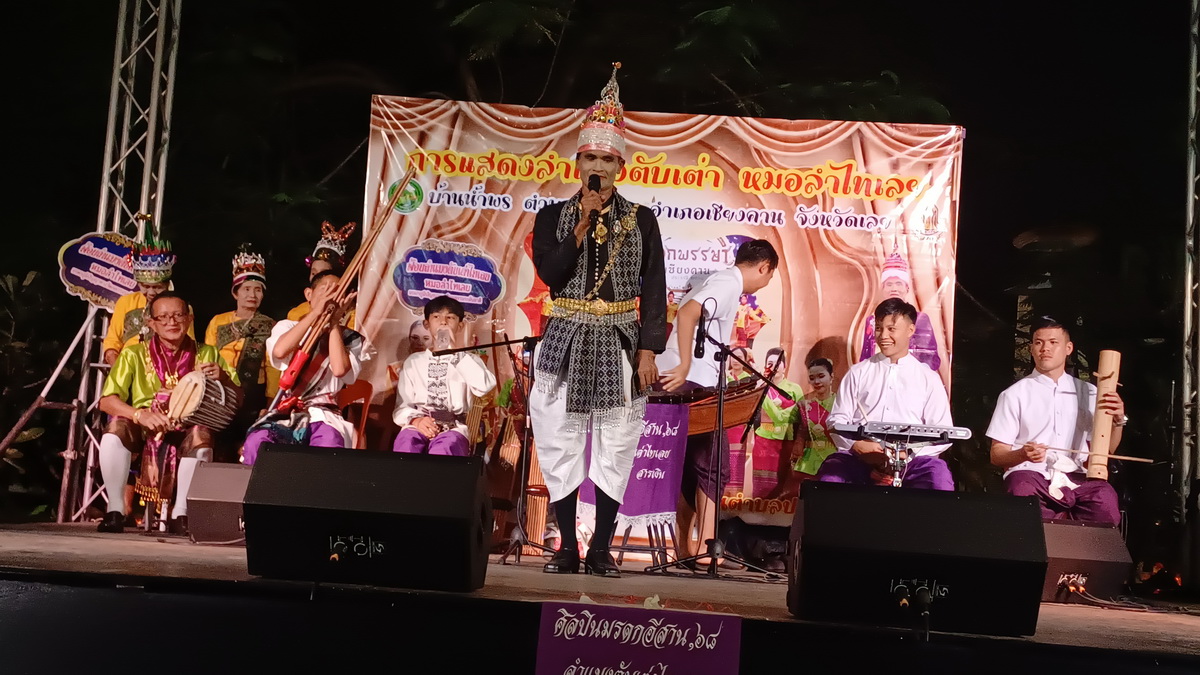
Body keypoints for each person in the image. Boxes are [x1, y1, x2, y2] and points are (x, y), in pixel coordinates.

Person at [530, 63, 667, 578]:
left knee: (617, 442)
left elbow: (654, 287)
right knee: (559, 439)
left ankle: (601, 549)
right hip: (564, 339)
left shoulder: (642, 219)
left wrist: (649, 350)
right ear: (577, 162)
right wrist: (582, 224)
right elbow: (551, 273)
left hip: (619, 342)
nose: (598, 166)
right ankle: (567, 546)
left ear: (620, 166)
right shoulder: (552, 217)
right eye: (590, 157)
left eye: (608, 159)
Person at [657, 239, 779, 563]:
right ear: (764, 267)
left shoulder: (721, 281)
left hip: (689, 381)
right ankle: (707, 546)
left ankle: (685, 546)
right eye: (769, 276)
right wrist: (685, 364)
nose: (766, 282)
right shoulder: (728, 282)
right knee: (715, 465)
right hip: (694, 383)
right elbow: (687, 313)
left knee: (689, 466)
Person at [95, 292, 239, 534]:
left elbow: (237, 397)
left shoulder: (208, 353)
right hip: (145, 425)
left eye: (178, 315)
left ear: (189, 319)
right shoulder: (133, 354)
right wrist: (140, 415)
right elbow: (107, 401)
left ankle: (181, 513)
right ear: (151, 323)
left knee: (201, 435)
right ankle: (115, 510)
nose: (171, 322)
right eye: (163, 317)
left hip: (187, 426)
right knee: (115, 429)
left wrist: (224, 378)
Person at [986, 316, 1126, 525]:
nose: (1045, 349)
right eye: (1038, 343)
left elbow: (1107, 451)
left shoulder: (1090, 392)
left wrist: (1117, 420)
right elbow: (997, 455)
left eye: (1053, 342)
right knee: (1022, 493)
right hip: (1032, 475)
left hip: (1077, 477)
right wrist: (1022, 454)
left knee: (1104, 501)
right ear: (1032, 349)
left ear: (1068, 348)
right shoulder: (1014, 394)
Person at [820, 298, 955, 490]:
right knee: (832, 473)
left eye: (891, 329)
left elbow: (942, 431)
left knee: (938, 477)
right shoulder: (858, 372)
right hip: (862, 456)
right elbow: (837, 419)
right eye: (878, 328)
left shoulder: (928, 378)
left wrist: (907, 454)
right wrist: (855, 445)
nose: (883, 336)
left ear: (910, 330)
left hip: (912, 460)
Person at [242, 271, 374, 464]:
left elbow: (340, 370)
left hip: (325, 415)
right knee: (258, 442)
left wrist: (334, 323)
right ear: (309, 294)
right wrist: (316, 314)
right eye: (326, 290)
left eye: (338, 292)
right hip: (288, 413)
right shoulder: (288, 326)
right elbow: (280, 351)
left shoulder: (350, 338)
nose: (332, 296)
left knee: (328, 447)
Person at [393, 296, 496, 456]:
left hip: (453, 428)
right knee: (407, 444)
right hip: (418, 424)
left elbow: (485, 386)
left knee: (445, 450)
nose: (443, 322)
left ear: (460, 325)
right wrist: (416, 420)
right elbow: (402, 406)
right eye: (436, 317)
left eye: (450, 318)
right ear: (427, 324)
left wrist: (454, 352)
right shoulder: (414, 361)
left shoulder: (468, 360)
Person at [204, 245, 279, 454]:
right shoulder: (218, 322)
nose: (252, 295)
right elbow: (208, 355)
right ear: (235, 293)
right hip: (220, 392)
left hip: (253, 395)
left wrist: (271, 403)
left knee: (246, 446)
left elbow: (273, 368)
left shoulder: (270, 325)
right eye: (246, 289)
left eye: (258, 290)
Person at [103, 231, 194, 365]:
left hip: (166, 366)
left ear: (167, 285)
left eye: (157, 287)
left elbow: (188, 345)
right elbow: (112, 342)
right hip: (128, 365)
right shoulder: (126, 302)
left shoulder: (181, 307)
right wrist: (118, 368)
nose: (151, 292)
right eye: (145, 286)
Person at [859, 249, 941, 371]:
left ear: (907, 288)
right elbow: (865, 358)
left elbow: (931, 358)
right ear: (882, 288)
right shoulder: (872, 320)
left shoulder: (920, 319)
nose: (894, 289)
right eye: (889, 284)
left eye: (899, 283)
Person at [751, 348, 806, 498]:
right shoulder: (760, 388)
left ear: (785, 366)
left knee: (783, 485)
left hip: (786, 442)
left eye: (778, 363)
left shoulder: (794, 389)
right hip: (763, 441)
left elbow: (800, 416)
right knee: (762, 487)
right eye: (770, 363)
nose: (774, 366)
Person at [287, 221, 357, 329]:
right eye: (313, 273)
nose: (317, 277)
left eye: (324, 273)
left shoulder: (354, 317)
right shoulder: (297, 314)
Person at [794, 357, 838, 477]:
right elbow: (800, 431)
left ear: (831, 377)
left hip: (834, 458)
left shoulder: (840, 403)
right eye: (812, 378)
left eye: (821, 376)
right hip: (808, 461)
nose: (816, 382)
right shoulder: (804, 403)